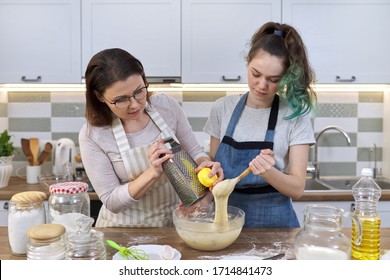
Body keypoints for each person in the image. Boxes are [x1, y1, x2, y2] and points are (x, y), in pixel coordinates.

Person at [79, 48, 222, 227]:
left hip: (174, 224)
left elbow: (194, 152)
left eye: (139, 91)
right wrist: (153, 172)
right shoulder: (93, 134)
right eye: (121, 99)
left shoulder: (167, 107)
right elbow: (111, 201)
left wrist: (206, 165)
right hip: (123, 232)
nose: (134, 104)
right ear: (100, 97)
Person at [203, 22, 317, 228]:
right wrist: (204, 192)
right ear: (247, 63)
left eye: (274, 79)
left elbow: (298, 189)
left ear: (286, 78)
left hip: (277, 227)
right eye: (256, 74)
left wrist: (268, 172)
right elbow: (214, 174)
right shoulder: (222, 109)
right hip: (226, 221)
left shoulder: (295, 117)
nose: (262, 85)